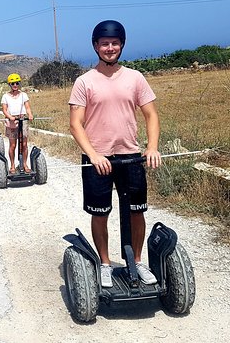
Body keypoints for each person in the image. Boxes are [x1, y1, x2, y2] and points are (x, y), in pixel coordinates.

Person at [68, 20, 162, 288]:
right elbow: (76, 124)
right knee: (100, 213)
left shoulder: (135, 78)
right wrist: (94, 155)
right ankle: (106, 263)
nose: (110, 48)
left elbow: (151, 115)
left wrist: (152, 147)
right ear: (96, 46)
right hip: (97, 160)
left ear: (121, 44)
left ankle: (138, 261)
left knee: (137, 212)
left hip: (130, 156)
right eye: (104, 43)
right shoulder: (84, 82)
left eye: (114, 43)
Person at [1, 73, 33, 174]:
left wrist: (30, 114)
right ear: (10, 84)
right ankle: (12, 165)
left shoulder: (24, 95)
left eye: (17, 83)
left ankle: (24, 164)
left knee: (24, 144)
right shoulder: (5, 96)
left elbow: (27, 107)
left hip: (22, 119)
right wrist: (10, 117)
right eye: (13, 83)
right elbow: (5, 110)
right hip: (12, 121)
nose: (15, 85)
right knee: (13, 145)